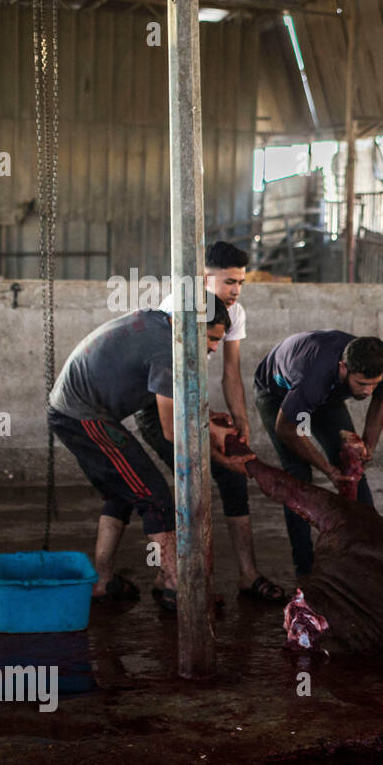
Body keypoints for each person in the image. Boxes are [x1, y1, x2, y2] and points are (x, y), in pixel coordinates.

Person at [46, 296, 247, 613]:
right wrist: (218, 446)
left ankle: (102, 581)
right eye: (210, 339)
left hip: (78, 409)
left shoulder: (162, 324)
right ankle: (175, 584)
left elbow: (177, 406)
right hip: (81, 416)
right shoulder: (167, 350)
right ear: (190, 328)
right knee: (153, 495)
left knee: (124, 490)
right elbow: (172, 430)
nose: (212, 349)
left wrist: (208, 422)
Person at [151, 240, 286, 603]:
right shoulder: (177, 309)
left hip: (187, 402)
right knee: (177, 483)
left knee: (230, 475)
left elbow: (230, 373)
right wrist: (205, 425)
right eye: (229, 282)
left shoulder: (233, 311)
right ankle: (176, 581)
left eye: (241, 282)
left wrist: (241, 424)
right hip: (156, 404)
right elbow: (170, 382)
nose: (236, 290)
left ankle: (246, 575)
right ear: (204, 279)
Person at [254, 331, 383, 576]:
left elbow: (382, 399)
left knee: (352, 464)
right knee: (298, 475)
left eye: (374, 383)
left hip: (327, 395)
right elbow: (286, 429)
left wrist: (367, 446)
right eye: (362, 384)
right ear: (343, 368)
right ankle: (305, 568)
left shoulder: (377, 364)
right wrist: (328, 471)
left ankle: (371, 552)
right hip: (277, 395)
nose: (368, 391)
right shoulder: (314, 378)